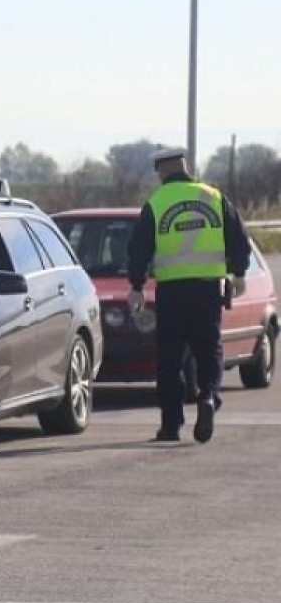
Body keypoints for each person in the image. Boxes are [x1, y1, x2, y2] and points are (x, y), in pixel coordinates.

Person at [126, 146, 250, 443]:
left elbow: (139, 248)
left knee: (169, 359)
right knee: (209, 349)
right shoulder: (214, 197)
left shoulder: (157, 202)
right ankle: (208, 396)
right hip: (207, 289)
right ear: (186, 166)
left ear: (161, 171)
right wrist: (240, 272)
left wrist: (136, 285)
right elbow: (238, 238)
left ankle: (171, 426)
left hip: (171, 292)